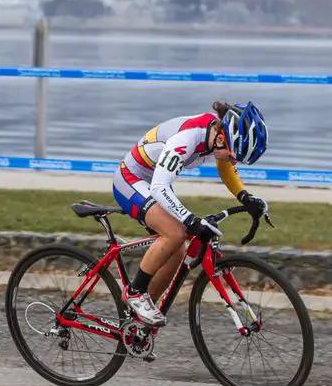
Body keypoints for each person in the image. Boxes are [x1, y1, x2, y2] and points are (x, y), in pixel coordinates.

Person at [112, 100, 270, 327]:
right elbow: (159, 188)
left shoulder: (216, 136)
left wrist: (244, 196)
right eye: (233, 155)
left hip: (155, 180)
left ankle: (138, 321)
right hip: (132, 179)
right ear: (220, 138)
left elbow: (224, 165)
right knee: (175, 233)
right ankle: (135, 292)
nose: (233, 161)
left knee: (176, 250)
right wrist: (191, 220)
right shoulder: (187, 139)